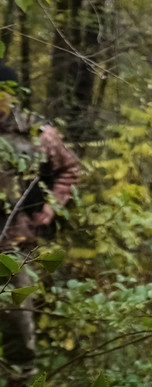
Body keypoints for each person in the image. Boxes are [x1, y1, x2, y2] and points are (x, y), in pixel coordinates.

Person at [0, 65, 81, 384]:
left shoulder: (37, 132)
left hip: (15, 242)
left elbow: (70, 169)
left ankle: (21, 378)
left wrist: (51, 205)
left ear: (11, 93)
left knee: (17, 322)